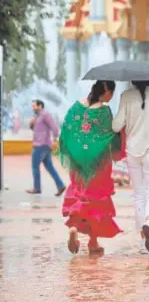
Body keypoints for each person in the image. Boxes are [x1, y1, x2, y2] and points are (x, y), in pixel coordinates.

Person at [58, 81, 123, 255]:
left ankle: (73, 227)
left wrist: (75, 150)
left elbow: (66, 129)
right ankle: (93, 242)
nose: (113, 96)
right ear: (107, 90)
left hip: (78, 161)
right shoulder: (103, 111)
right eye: (113, 92)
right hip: (98, 164)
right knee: (96, 200)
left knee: (79, 192)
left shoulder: (77, 106)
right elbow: (109, 135)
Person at [112, 80, 149, 255]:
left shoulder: (126, 96)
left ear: (132, 80)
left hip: (133, 152)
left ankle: (142, 243)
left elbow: (116, 126)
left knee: (139, 195)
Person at [27, 99, 66, 196]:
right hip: (42, 144)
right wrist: (32, 124)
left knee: (35, 166)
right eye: (32, 106)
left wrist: (54, 139)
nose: (33, 108)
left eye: (34, 106)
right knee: (49, 167)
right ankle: (60, 185)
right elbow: (38, 130)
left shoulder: (45, 114)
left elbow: (54, 127)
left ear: (40, 106)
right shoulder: (38, 116)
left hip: (42, 145)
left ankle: (37, 188)